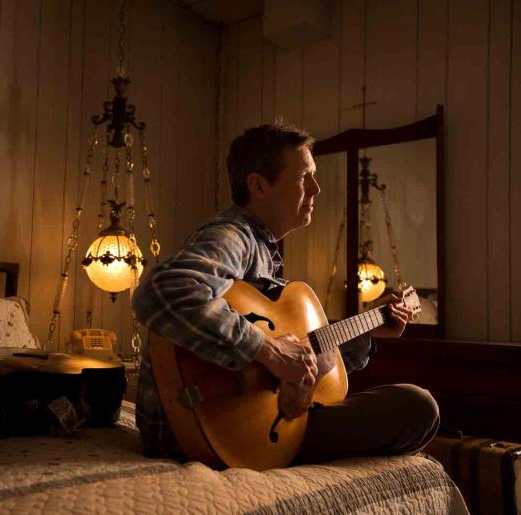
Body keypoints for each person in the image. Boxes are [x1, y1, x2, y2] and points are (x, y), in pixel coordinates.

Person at [131, 123, 439, 464]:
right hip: (192, 430)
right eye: (304, 177)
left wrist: (370, 327)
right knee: (417, 408)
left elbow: (309, 360)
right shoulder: (233, 236)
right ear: (259, 185)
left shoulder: (265, 252)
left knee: (410, 407)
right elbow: (161, 292)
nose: (317, 189)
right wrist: (267, 350)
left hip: (240, 424)